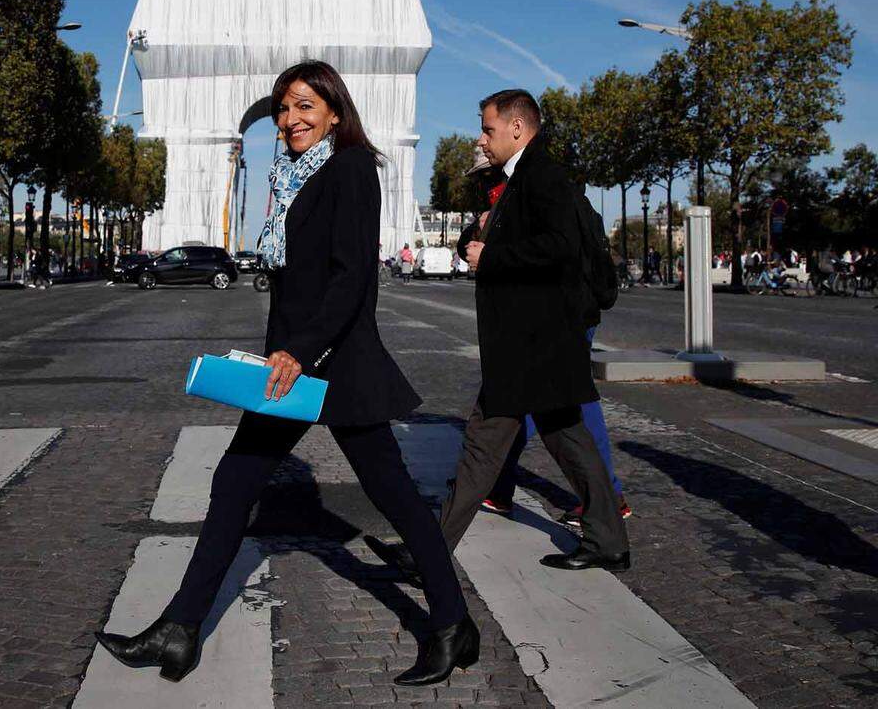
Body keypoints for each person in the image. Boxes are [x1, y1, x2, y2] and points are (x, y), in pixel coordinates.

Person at [95, 61, 479, 687]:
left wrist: (299, 351)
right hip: (290, 363)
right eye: (282, 107)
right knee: (235, 482)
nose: (291, 118)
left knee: (395, 498)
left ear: (334, 109)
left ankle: (452, 623)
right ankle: (180, 629)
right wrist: (283, 350)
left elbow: (352, 276)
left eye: (305, 105)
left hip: (334, 362)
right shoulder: (289, 175)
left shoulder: (351, 168)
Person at [371, 89, 629, 574]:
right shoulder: (522, 179)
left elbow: (560, 248)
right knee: (556, 439)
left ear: (517, 127)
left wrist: (493, 256)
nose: (482, 139)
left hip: (533, 340)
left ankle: (427, 553)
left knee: (484, 447)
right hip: (532, 341)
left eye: (488, 129)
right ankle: (609, 538)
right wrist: (482, 235)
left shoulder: (543, 176)